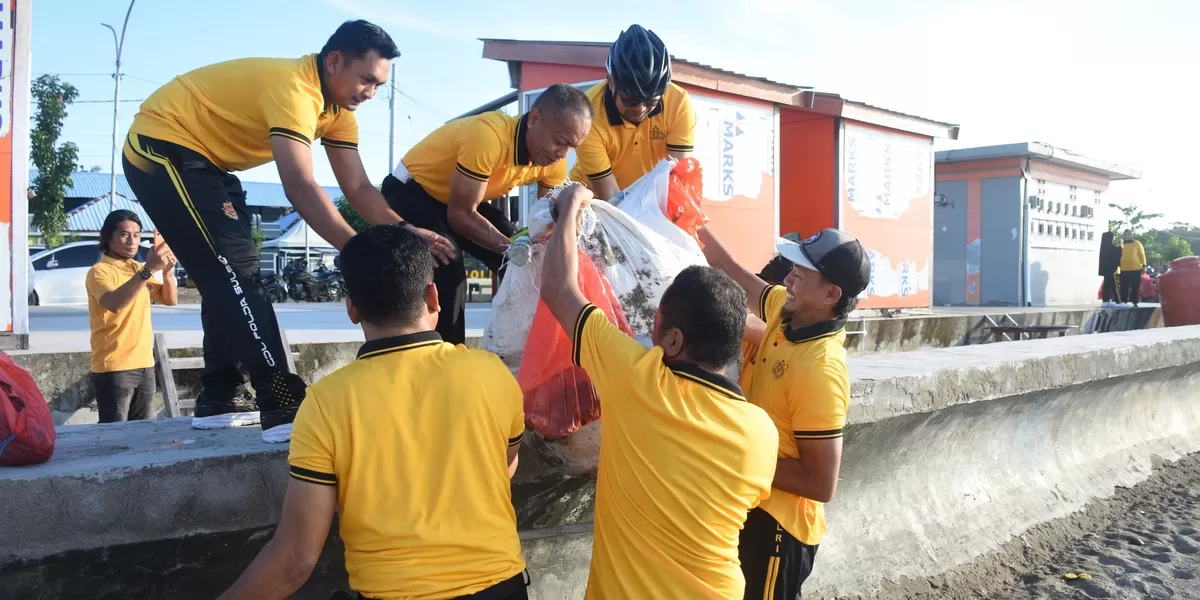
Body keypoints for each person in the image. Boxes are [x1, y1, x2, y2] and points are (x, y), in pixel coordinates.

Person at [122, 20, 453, 442]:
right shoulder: (296, 89)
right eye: (366, 79)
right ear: (334, 61)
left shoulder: (337, 113)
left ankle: (220, 396)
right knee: (236, 271)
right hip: (161, 144)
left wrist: (406, 229)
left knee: (228, 273)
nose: (370, 93)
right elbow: (299, 185)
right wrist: (356, 251)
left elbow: (358, 187)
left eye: (379, 85)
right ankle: (280, 401)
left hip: (211, 163)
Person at [218, 225, 528, 600]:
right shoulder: (492, 374)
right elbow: (504, 467)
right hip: (503, 589)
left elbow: (294, 561)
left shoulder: (326, 403)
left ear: (351, 307)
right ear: (433, 296)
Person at [539, 184, 778, 598]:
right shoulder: (760, 431)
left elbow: (559, 287)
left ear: (672, 341)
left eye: (656, 319)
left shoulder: (636, 377)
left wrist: (572, 206)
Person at [699, 226, 871, 599]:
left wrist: (734, 459)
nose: (789, 278)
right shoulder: (786, 312)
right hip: (749, 507)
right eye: (792, 268)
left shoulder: (820, 368)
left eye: (800, 273)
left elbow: (820, 482)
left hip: (777, 530)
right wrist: (684, 217)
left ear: (830, 294)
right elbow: (733, 272)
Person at [382, 83, 592, 344]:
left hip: (458, 198)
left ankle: (519, 343)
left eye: (571, 146)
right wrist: (510, 248)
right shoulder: (487, 136)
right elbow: (460, 216)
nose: (562, 154)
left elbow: (543, 223)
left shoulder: (554, 163)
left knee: (526, 261)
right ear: (534, 118)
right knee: (450, 266)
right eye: (559, 141)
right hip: (411, 189)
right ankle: (448, 354)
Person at [569, 24, 697, 200]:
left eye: (651, 101)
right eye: (630, 100)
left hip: (647, 198)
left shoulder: (679, 104)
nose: (640, 109)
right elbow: (611, 197)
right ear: (610, 81)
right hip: (595, 197)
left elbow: (679, 184)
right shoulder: (587, 114)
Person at [86, 211, 177, 423]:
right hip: (115, 367)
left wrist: (167, 273)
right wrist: (147, 271)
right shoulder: (100, 272)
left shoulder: (137, 268)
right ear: (109, 237)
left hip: (145, 363)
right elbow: (114, 304)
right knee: (114, 435)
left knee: (141, 434)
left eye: (137, 235)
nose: (132, 241)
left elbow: (169, 299)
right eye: (125, 235)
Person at [1119, 229, 1147, 307]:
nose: (1127, 236)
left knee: (1135, 286)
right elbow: (1117, 255)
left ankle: (1134, 301)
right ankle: (1123, 301)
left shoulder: (1137, 243)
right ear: (1123, 235)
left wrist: (1144, 265)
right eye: (1126, 234)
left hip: (1136, 268)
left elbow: (1142, 255)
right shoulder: (1120, 244)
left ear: (1132, 235)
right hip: (1123, 269)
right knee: (1124, 286)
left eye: (1129, 234)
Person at [1098, 231, 1123, 307]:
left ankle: (1106, 299)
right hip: (1111, 270)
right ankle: (1118, 300)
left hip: (1106, 269)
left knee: (1107, 284)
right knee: (1114, 285)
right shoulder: (1109, 248)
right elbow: (1116, 252)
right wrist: (1120, 247)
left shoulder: (1103, 247)